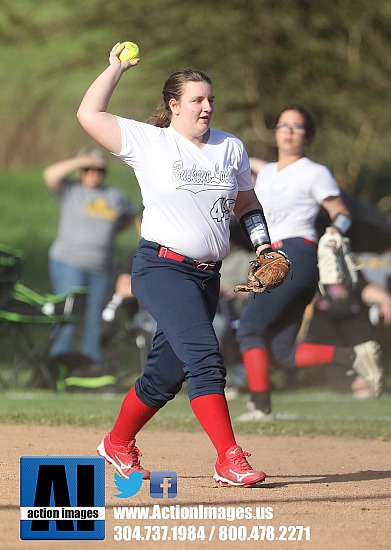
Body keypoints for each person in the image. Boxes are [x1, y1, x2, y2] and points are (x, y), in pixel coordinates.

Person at [76, 42, 285, 486]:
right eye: (197, 99)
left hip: (206, 277)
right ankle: (228, 456)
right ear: (174, 106)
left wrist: (265, 247)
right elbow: (89, 115)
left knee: (165, 376)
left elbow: (247, 201)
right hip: (162, 268)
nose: (207, 106)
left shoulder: (230, 147)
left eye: (210, 99)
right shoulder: (151, 142)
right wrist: (115, 69)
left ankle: (116, 442)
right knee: (206, 359)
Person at [236, 104, 382, 421]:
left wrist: (335, 229)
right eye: (283, 124)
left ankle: (260, 408)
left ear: (307, 135)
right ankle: (352, 356)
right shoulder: (268, 173)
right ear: (274, 131)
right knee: (282, 350)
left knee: (249, 329)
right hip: (272, 257)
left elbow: (341, 212)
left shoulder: (314, 172)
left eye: (297, 126)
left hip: (294, 253)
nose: (288, 131)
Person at [43, 146, 138, 365]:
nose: (93, 173)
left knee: (96, 318)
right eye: (88, 169)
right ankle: (59, 364)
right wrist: (80, 161)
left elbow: (131, 216)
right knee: (67, 314)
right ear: (80, 171)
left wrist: (110, 232)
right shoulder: (71, 190)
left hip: (101, 267)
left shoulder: (114, 195)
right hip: (68, 262)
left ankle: (91, 366)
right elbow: (50, 174)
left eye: (99, 169)